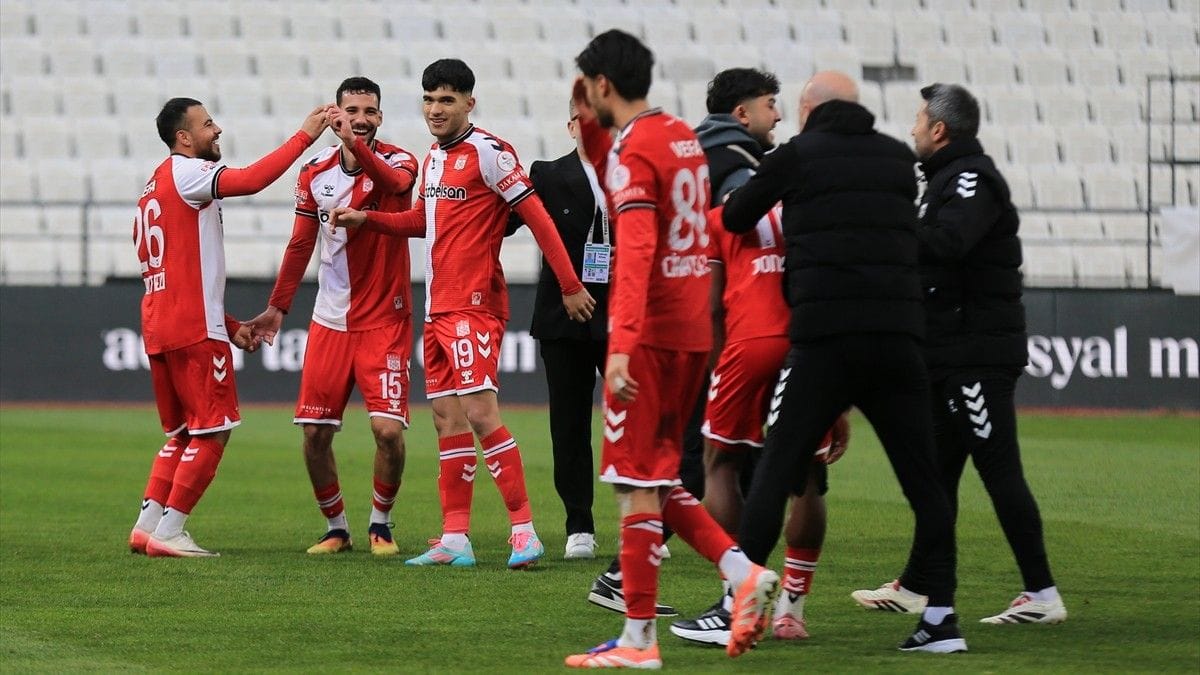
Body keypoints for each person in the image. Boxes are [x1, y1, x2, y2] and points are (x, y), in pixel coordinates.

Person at [723, 71, 967, 654]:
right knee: (925, 484)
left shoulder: (796, 155)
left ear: (808, 111)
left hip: (824, 340)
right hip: (898, 339)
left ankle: (742, 603)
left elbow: (738, 217)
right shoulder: (894, 158)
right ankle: (942, 622)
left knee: (777, 469)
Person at [563, 30, 778, 670]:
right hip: (691, 333)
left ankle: (637, 641)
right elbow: (620, 175)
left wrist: (621, 346)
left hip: (650, 336)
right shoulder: (681, 135)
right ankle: (742, 574)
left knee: (633, 485)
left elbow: (633, 250)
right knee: (656, 476)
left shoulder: (636, 150)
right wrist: (587, 125)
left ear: (603, 85)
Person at [330, 59, 595, 570]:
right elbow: (422, 221)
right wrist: (370, 219)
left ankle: (524, 531)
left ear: (469, 103)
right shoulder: (431, 159)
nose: (435, 109)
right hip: (437, 309)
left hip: (475, 306)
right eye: (429, 99)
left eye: (447, 100)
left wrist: (569, 285)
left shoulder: (490, 153)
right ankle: (455, 538)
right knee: (447, 421)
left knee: (480, 414)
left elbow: (539, 219)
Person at [851, 83, 1067, 626]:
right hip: (950, 352)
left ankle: (1041, 593)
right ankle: (919, 584)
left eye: (919, 120)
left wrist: (889, 230)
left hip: (976, 355)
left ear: (940, 130)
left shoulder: (970, 179)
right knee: (937, 474)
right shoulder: (946, 180)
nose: (913, 128)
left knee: (999, 470)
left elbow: (948, 244)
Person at [670, 68, 850, 647]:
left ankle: (734, 597)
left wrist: (716, 361)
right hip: (807, 344)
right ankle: (793, 607)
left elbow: (714, 297)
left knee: (721, 462)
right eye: (772, 105)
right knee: (808, 477)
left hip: (750, 340)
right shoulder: (801, 200)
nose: (779, 116)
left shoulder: (725, 205)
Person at [128, 98, 332, 558]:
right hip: (192, 329)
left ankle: (146, 524)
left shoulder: (153, 186)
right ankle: (170, 531)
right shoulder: (188, 174)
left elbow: (180, 273)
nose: (216, 130)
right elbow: (252, 180)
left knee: (183, 432)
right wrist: (305, 136)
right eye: (207, 124)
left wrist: (232, 325)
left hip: (162, 324)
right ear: (184, 137)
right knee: (214, 430)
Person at [243, 77, 420, 557]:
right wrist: (278, 306)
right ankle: (337, 527)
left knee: (386, 431)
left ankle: (380, 523)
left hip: (385, 319)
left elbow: (395, 186)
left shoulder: (401, 161)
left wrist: (352, 144)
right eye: (351, 110)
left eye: (369, 111)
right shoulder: (314, 173)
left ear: (380, 118)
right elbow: (302, 243)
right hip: (329, 320)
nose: (361, 119)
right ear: (335, 112)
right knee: (315, 433)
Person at [518, 99, 611, 560]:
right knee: (569, 425)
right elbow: (502, 221)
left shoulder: (635, 174)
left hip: (623, 314)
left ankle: (647, 517)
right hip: (564, 315)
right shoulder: (547, 175)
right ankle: (580, 524)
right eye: (585, 121)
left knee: (637, 421)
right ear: (571, 125)